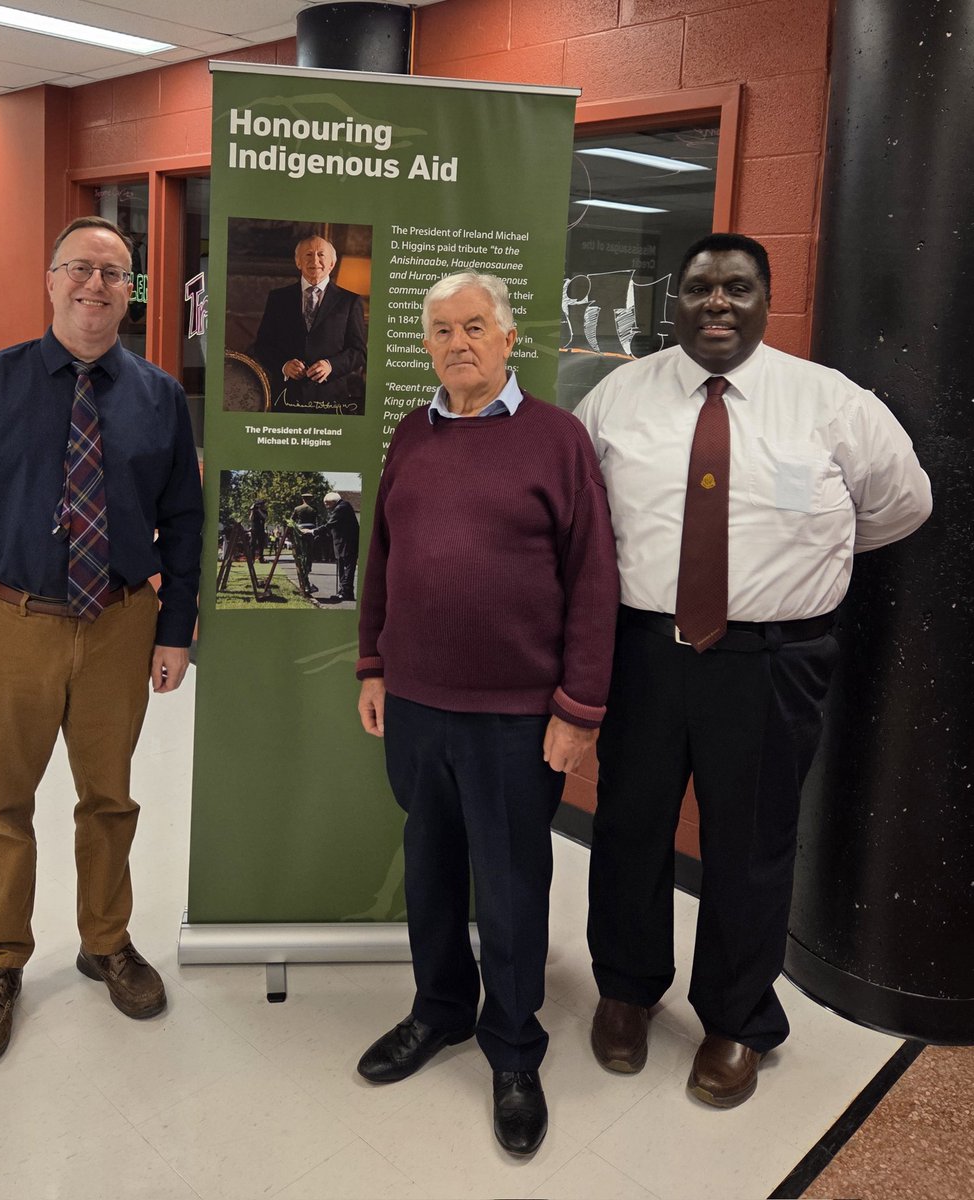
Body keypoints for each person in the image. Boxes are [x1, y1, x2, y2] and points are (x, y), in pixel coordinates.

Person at [574, 232, 932, 1108]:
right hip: (643, 652)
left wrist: (800, 570)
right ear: (675, 301)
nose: (717, 303)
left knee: (753, 845)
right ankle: (626, 990)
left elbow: (901, 506)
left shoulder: (831, 403)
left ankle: (737, 1019)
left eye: (737, 287)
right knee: (629, 826)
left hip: (772, 663)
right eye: (699, 287)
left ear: (767, 299)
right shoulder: (617, 397)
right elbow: (584, 519)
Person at [0, 215, 203, 1066]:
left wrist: (175, 630)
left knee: (110, 799)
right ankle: (1, 964)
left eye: (114, 273)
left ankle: (106, 943)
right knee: (4, 804)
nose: (95, 286)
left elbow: (184, 522)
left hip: (118, 626)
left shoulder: (159, 397)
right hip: (11, 622)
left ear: (130, 292)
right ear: (51, 279)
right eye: (80, 269)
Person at [355, 271, 619, 1155]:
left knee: (509, 886)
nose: (457, 342)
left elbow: (594, 581)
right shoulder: (412, 434)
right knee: (429, 871)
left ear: (508, 340)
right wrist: (373, 665)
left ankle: (512, 1047)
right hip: (416, 706)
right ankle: (440, 1011)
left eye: (474, 327)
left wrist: (578, 709)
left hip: (516, 717)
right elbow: (383, 558)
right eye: (441, 330)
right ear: (425, 345)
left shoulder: (557, 439)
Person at [251, 234, 367, 414]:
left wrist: (330, 366)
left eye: (321, 255)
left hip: (332, 401)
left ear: (331, 263)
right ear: (298, 262)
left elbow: (359, 352)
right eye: (308, 254)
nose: (315, 260)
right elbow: (263, 346)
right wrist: (284, 365)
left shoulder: (350, 301)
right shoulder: (278, 298)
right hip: (286, 400)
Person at [308, 491, 359, 603]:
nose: (326, 507)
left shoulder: (341, 508)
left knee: (347, 568)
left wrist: (313, 531)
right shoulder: (342, 506)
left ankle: (345, 592)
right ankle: (344, 592)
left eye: (327, 504)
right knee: (343, 568)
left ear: (333, 501)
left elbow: (330, 524)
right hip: (343, 543)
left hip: (346, 543)